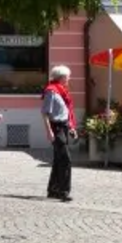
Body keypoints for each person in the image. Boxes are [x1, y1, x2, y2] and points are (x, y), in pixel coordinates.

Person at [42, 65, 76, 202]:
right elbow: (45, 113)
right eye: (67, 76)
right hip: (56, 128)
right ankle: (64, 191)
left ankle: (53, 190)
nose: (69, 79)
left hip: (63, 127)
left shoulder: (62, 91)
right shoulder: (51, 91)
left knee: (58, 160)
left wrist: (71, 128)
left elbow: (65, 112)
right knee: (66, 159)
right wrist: (49, 131)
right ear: (61, 77)